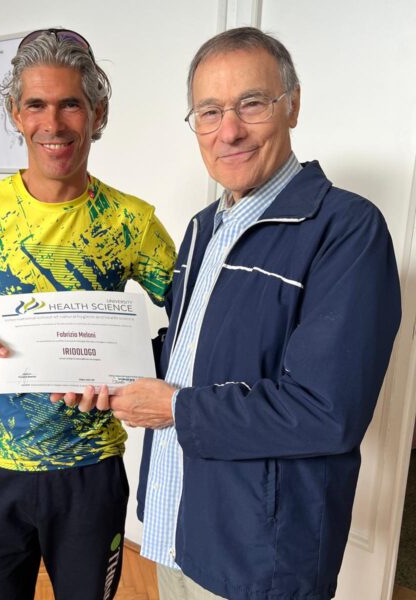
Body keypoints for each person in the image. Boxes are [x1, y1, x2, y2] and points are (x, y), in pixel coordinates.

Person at [109, 27, 402, 600]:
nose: (229, 131)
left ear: (293, 105)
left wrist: (173, 407)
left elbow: (326, 411)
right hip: (174, 523)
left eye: (251, 104)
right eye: (209, 112)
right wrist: (110, 366)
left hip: (258, 559)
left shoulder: (347, 230)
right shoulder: (202, 228)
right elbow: (192, 353)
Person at [0, 28, 176, 600]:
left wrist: (139, 372)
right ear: (15, 113)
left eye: (70, 104)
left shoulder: (130, 221)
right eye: (36, 104)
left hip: (90, 470)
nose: (53, 124)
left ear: (97, 113)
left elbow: (193, 319)